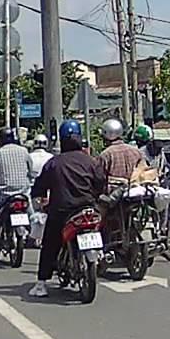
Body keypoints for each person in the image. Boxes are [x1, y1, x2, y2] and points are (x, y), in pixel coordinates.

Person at [27, 120, 106, 298]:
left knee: (49, 244)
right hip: (88, 209)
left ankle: (41, 283)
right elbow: (101, 183)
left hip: (61, 211)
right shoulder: (90, 161)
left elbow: (40, 186)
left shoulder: (54, 163)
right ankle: (102, 254)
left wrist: (40, 198)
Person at [0, 128, 37, 237]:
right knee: (32, 216)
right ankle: (35, 235)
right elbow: (31, 171)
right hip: (23, 193)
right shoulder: (24, 151)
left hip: (3, 195)